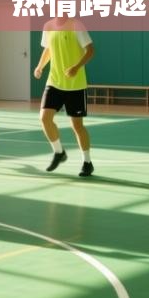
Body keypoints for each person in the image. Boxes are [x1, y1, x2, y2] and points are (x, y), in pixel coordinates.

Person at [33, 16, 95, 177]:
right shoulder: (48, 26)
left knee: (77, 126)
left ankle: (87, 162)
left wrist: (76, 67)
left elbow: (90, 50)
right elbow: (48, 49)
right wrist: (40, 66)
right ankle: (59, 152)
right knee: (44, 118)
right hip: (54, 82)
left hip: (76, 85)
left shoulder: (76, 25)